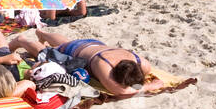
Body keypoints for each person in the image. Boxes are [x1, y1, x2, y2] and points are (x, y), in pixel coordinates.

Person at [8, 28, 160, 96]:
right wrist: (150, 86)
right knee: (46, 53)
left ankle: (42, 33)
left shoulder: (141, 63)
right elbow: (119, 91)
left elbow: (124, 87)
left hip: (93, 45)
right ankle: (22, 40)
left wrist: (143, 85)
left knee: (67, 43)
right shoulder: (104, 65)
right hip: (78, 52)